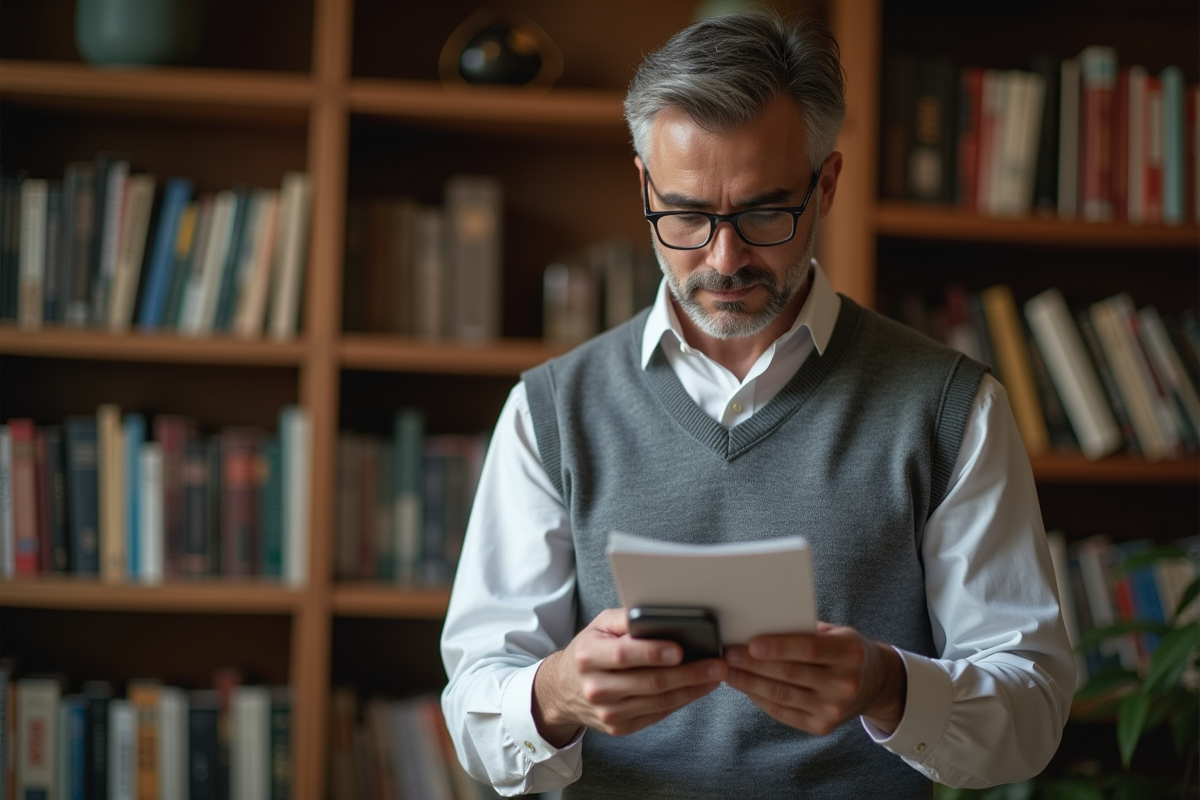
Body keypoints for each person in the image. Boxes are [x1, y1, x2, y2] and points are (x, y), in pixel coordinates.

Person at [441, 10, 1074, 798]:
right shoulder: (550, 411)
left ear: (828, 185)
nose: (724, 257)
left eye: (765, 213)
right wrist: (555, 695)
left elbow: (1034, 713)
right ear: (643, 184)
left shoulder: (948, 408)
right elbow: (473, 703)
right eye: (686, 215)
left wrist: (889, 687)